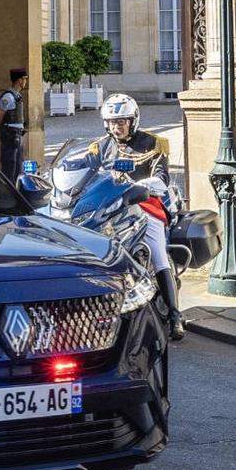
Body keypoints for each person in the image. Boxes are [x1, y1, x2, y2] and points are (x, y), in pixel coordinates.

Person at [88, 93, 185, 340]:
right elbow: (87, 175)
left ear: (133, 121)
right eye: (112, 122)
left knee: (157, 251)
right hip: (111, 207)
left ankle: (175, 315)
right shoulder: (99, 147)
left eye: (122, 121)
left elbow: (161, 176)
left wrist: (143, 185)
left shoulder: (153, 143)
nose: (116, 126)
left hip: (144, 205)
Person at [0, 67, 27, 182]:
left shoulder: (16, 96)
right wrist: (3, 130)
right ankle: (8, 190)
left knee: (18, 165)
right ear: (19, 80)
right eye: (24, 79)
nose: (25, 82)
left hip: (17, 134)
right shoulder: (9, 97)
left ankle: (16, 190)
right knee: (9, 165)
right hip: (10, 134)